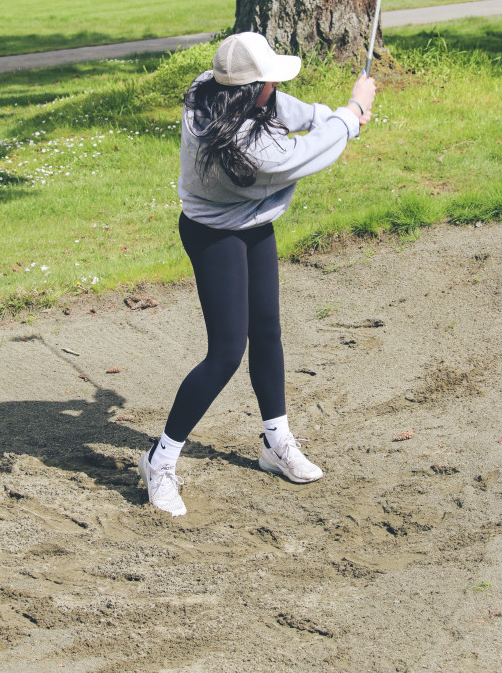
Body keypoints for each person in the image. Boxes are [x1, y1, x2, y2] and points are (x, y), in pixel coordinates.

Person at [138, 31, 376, 516]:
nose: (272, 88)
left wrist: (319, 113)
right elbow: (306, 155)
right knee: (226, 352)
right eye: (267, 81)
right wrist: (350, 114)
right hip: (214, 234)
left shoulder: (211, 86)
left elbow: (278, 105)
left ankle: (275, 442)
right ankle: (159, 461)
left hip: (253, 224)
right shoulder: (251, 153)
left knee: (267, 331)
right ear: (249, 91)